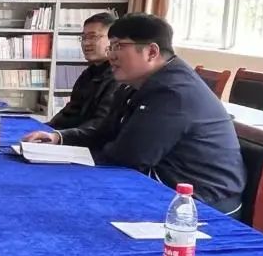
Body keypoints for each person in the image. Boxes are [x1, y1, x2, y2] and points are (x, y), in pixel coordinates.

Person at [24, 13, 245, 213]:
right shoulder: (133, 84)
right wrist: (59, 138)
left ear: (151, 52)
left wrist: (68, 159)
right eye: (111, 47)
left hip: (200, 202)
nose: (111, 55)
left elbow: (129, 158)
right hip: (156, 181)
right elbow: (104, 132)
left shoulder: (174, 92)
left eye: (118, 46)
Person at [44, 12, 119, 143]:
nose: (86, 43)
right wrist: (46, 129)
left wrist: (60, 137)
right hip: (72, 139)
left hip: (90, 144)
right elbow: (70, 112)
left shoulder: (118, 76)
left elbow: (100, 124)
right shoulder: (88, 74)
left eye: (93, 37)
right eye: (83, 38)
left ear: (113, 40)